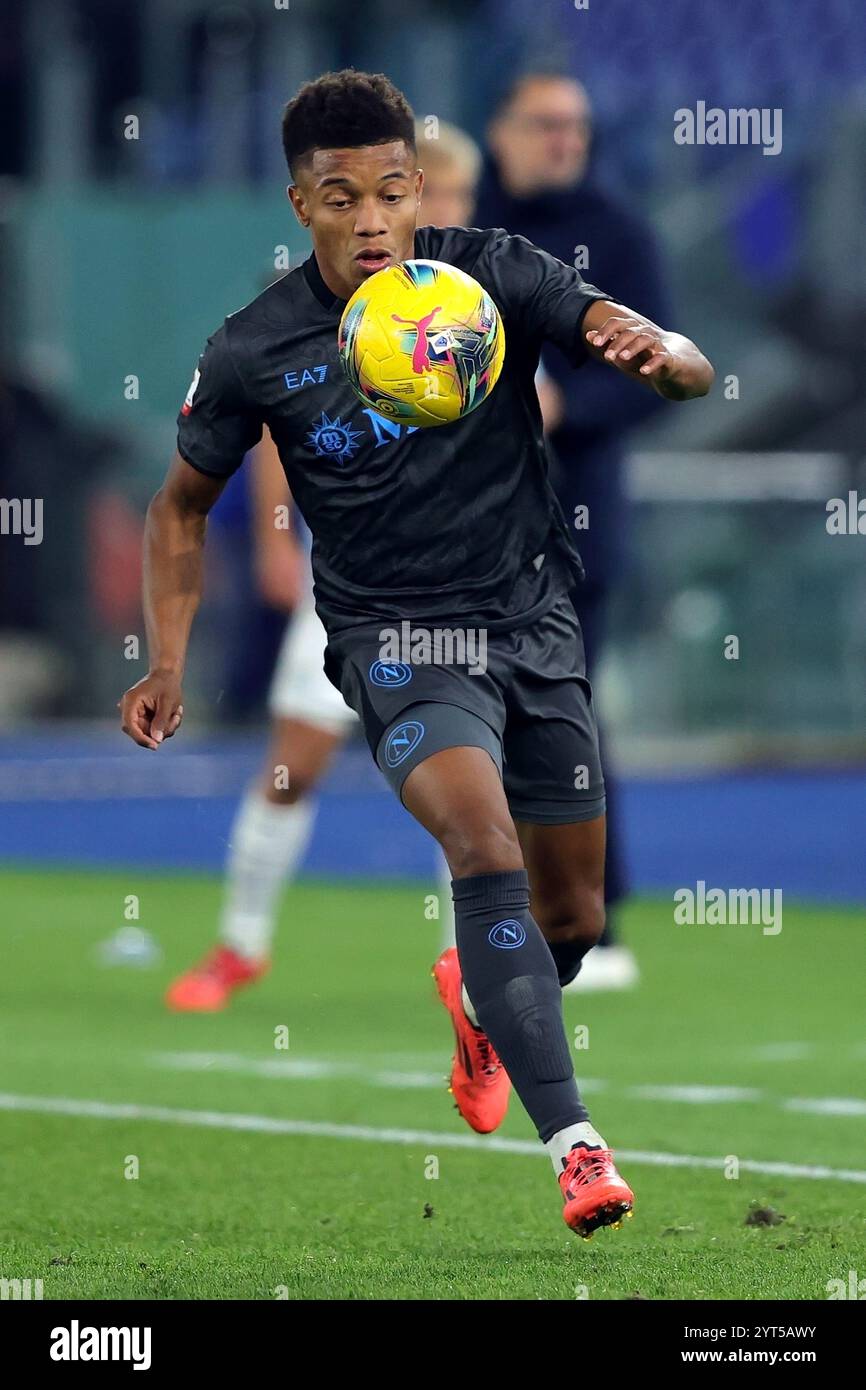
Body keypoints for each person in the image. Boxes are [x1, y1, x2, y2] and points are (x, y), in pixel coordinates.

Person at [119, 70, 713, 1236]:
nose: (374, 219)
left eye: (392, 191)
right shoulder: (255, 348)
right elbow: (178, 506)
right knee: (478, 840)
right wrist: (166, 659)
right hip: (394, 637)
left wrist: (664, 356)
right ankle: (578, 1148)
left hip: (532, 618)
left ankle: (481, 1003)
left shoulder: (485, 272)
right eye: (343, 198)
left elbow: (617, 332)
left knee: (575, 916)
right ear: (305, 204)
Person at [164, 119, 484, 1012]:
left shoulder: (479, 302)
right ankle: (240, 944)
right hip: (346, 583)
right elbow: (274, 418)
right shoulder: (335, 295)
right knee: (291, 765)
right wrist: (274, 534)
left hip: (461, 587)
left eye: (446, 196)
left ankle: (469, 978)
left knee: (463, 784)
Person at [480, 72, 675, 991]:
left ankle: (598, 921)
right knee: (472, 721)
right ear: (501, 131)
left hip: (574, 519)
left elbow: (660, 372)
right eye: (547, 123)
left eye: (579, 126)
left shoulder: (622, 234)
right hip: (461, 524)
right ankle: (491, 917)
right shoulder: (460, 222)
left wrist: (567, 401)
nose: (566, 140)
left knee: (566, 716)